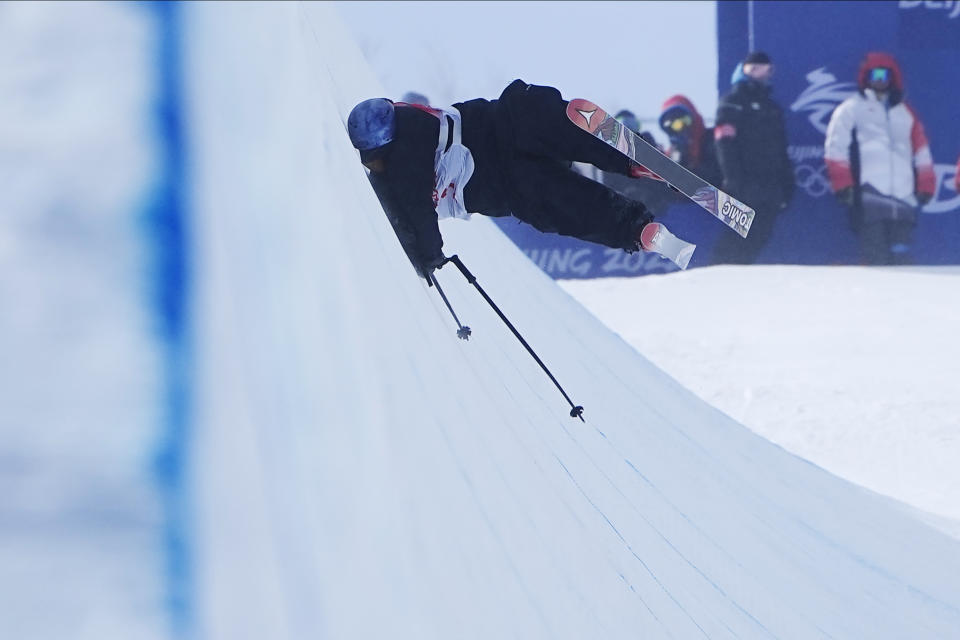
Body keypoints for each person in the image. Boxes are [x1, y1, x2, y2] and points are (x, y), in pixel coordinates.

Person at [347, 80, 661, 281]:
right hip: (501, 139)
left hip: (499, 167)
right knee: (544, 128)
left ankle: (631, 219)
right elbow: (416, 209)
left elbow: (417, 211)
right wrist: (429, 254)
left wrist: (430, 255)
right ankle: (630, 171)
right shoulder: (403, 128)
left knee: (561, 198)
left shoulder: (401, 154)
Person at [824, 51, 935, 265]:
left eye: (885, 76)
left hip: (903, 197)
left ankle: (905, 299)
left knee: (902, 258)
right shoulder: (851, 109)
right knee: (876, 258)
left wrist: (926, 185)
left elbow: (922, 151)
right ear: (865, 77)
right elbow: (835, 148)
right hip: (868, 195)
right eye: (874, 75)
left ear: (893, 78)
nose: (880, 81)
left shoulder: (905, 111)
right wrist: (843, 184)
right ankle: (877, 298)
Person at [712, 51, 795, 264]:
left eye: (769, 70)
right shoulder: (732, 101)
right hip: (744, 183)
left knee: (761, 234)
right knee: (737, 234)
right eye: (761, 69)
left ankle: (739, 277)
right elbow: (724, 143)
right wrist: (733, 179)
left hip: (770, 185)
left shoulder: (771, 107)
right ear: (749, 69)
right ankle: (718, 275)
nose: (766, 75)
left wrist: (787, 184)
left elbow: (781, 149)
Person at [658, 95, 722, 187]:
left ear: (694, 119)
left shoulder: (713, 141)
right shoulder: (671, 155)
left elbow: (715, 175)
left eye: (685, 121)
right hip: (679, 200)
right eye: (673, 125)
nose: (681, 129)